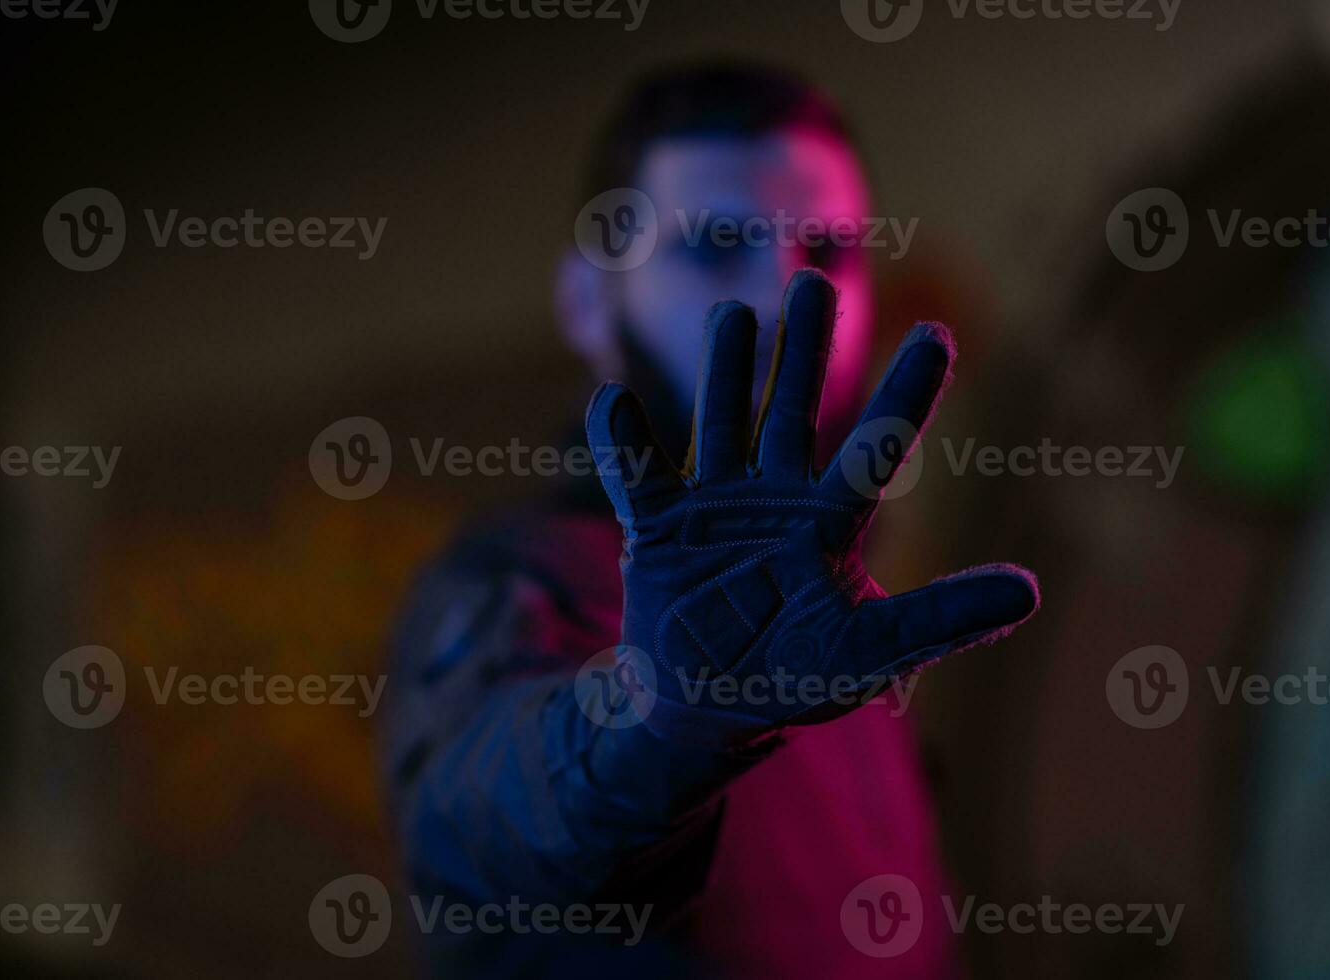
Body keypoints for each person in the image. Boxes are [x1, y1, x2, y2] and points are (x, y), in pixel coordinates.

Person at [381, 63, 1039, 978]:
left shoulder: (841, 612)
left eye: (824, 250)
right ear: (588, 301)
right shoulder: (511, 583)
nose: (779, 297)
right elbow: (482, 811)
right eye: (715, 245)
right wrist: (657, 727)